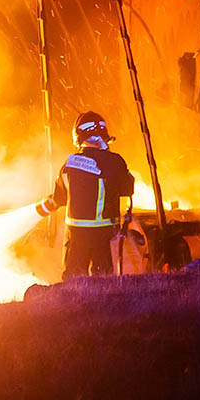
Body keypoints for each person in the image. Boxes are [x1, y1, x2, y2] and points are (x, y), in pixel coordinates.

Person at [36, 111, 134, 279]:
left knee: (73, 280)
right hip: (105, 234)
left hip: (77, 235)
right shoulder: (116, 161)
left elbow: (60, 198)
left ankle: (75, 305)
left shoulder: (70, 163)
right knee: (103, 279)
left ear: (78, 136)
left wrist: (47, 204)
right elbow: (127, 190)